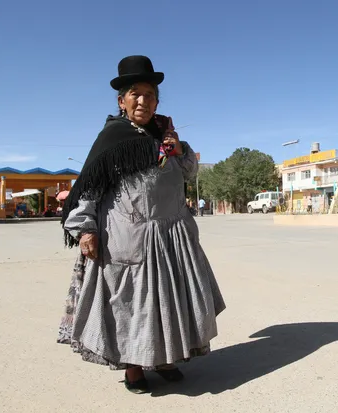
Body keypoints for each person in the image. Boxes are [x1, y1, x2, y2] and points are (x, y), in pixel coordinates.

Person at [57, 56, 225, 394]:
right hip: (128, 236)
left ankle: (164, 359)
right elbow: (88, 189)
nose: (143, 101)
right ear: (121, 100)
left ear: (157, 101)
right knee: (132, 305)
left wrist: (180, 151)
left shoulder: (167, 135)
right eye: (135, 93)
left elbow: (190, 174)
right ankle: (134, 369)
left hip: (173, 236)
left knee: (170, 300)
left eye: (150, 94)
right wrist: (85, 229)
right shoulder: (112, 139)